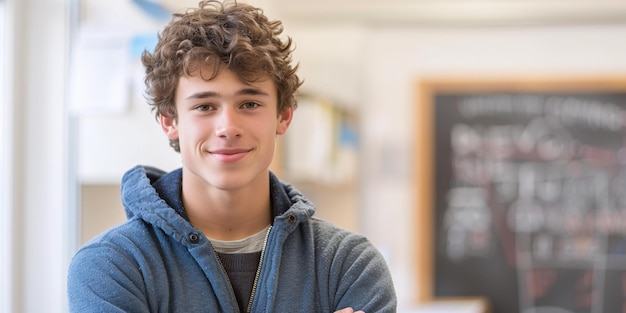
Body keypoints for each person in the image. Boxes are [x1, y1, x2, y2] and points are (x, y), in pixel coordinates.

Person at [67, 1, 397, 312]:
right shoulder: (112, 265)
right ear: (170, 121)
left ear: (283, 116)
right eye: (205, 106)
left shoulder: (349, 265)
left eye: (249, 104)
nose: (228, 127)